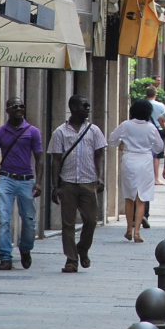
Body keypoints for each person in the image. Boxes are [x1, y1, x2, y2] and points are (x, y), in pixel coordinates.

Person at [48, 95, 107, 273]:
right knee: (68, 224)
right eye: (84, 106)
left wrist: (100, 177)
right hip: (68, 183)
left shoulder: (94, 131)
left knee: (90, 220)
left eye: (88, 106)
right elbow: (56, 159)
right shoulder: (60, 132)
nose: (87, 109)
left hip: (88, 182)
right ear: (73, 107)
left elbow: (99, 155)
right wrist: (55, 185)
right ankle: (71, 260)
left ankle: (82, 248)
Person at [0, 97, 43, 271]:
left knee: (29, 221)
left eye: (21, 106)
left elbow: (40, 159)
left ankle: (25, 249)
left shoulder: (33, 132)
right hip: (6, 179)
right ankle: (5, 257)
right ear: (7, 110)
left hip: (26, 180)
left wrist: (38, 182)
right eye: (15, 106)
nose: (19, 109)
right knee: (3, 219)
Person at [109, 99, 164, 243]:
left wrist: (122, 143)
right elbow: (159, 147)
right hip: (145, 161)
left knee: (129, 197)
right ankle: (137, 232)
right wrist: (148, 147)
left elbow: (112, 140)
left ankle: (128, 229)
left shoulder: (126, 125)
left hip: (129, 160)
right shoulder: (151, 127)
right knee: (141, 198)